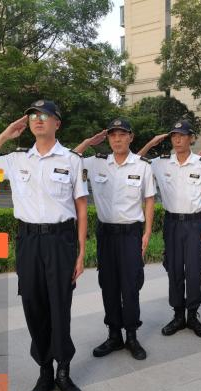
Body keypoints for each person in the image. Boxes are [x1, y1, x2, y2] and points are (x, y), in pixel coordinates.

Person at [0, 100, 87, 391]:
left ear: (57, 123)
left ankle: (63, 372)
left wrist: (80, 253)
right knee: (33, 305)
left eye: (45, 115)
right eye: (33, 115)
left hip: (60, 242)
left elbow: (81, 208)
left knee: (60, 306)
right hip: (28, 242)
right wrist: (4, 136)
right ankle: (45, 372)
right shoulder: (15, 159)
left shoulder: (72, 160)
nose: (38, 119)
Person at [74, 118, 155, 360]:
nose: (117, 139)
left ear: (131, 137)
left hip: (131, 233)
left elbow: (149, 199)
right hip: (106, 234)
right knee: (108, 285)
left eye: (122, 134)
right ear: (107, 138)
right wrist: (88, 142)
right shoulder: (95, 163)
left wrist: (147, 232)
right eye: (112, 135)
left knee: (130, 285)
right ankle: (114, 335)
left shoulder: (142, 166)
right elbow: (68, 159)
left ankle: (131, 335)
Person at [138, 120, 201, 338]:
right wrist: (151, 144)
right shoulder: (161, 163)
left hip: (194, 224)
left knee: (194, 271)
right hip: (172, 224)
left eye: (182, 135)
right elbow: (136, 161)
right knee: (174, 269)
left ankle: (193, 315)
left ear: (191, 138)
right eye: (174, 136)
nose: (177, 140)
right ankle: (178, 315)